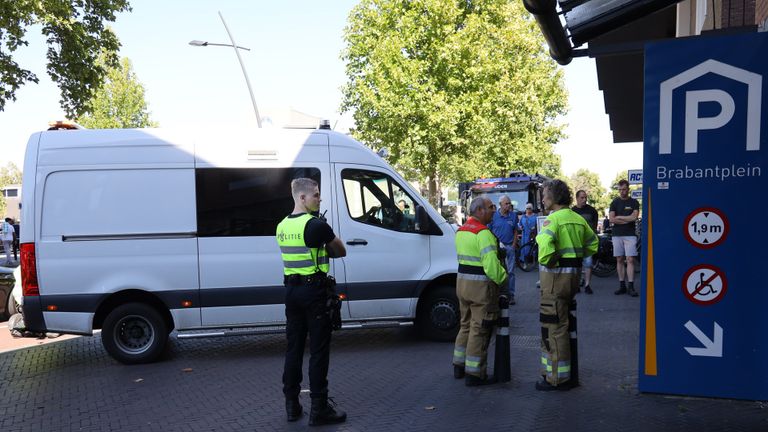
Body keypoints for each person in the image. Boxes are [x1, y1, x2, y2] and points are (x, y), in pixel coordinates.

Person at [276, 178, 348, 426]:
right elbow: (341, 251)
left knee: (293, 349)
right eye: (315, 195)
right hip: (314, 293)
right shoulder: (316, 225)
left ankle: (292, 405)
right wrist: (327, 235)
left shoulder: (282, 226)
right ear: (302, 198)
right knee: (318, 350)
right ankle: (319, 409)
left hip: (291, 292)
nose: (319, 199)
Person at [535, 180, 598, 391]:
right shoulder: (578, 220)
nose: (542, 199)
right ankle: (558, 375)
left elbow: (544, 252)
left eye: (544, 195)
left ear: (553, 197)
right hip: (572, 280)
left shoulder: (552, 221)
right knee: (563, 326)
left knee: (554, 330)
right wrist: (575, 257)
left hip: (554, 281)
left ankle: (556, 379)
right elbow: (593, 244)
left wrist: (553, 260)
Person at [452, 196, 507, 386]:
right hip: (480, 289)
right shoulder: (483, 234)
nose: (493, 210)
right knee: (479, 329)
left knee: (465, 325)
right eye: (490, 207)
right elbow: (492, 267)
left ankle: (459, 365)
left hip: (462, 284)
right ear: (480, 211)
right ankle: (475, 374)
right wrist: (504, 279)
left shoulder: (461, 231)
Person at [609, 180, 640, 297]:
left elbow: (634, 217)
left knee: (630, 259)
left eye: (624, 189)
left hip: (630, 234)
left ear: (628, 189)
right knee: (619, 259)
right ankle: (622, 285)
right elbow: (612, 219)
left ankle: (631, 286)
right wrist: (627, 218)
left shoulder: (634, 202)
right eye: (620, 189)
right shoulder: (614, 202)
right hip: (617, 234)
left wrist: (620, 217)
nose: (622, 192)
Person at [488, 196, 518, 304]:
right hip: (498, 247)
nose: (509, 205)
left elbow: (515, 230)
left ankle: (511, 295)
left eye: (509, 203)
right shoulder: (494, 216)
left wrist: (514, 244)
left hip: (510, 247)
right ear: (500, 204)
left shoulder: (513, 216)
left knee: (511, 272)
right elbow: (489, 230)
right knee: (497, 271)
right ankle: (499, 294)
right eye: (506, 203)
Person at [572, 190, 599, 294]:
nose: (584, 200)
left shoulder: (592, 211)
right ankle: (577, 284)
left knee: (588, 263)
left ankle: (587, 285)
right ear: (577, 198)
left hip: (588, 242)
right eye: (582, 198)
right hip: (576, 242)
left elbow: (595, 227)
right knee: (577, 264)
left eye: (585, 197)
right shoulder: (572, 211)